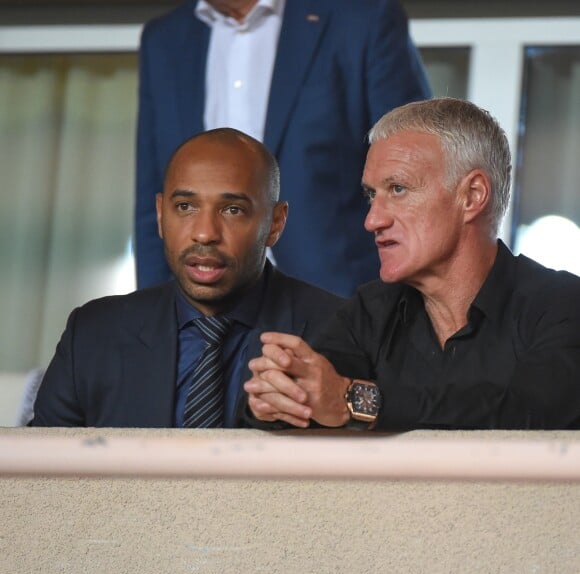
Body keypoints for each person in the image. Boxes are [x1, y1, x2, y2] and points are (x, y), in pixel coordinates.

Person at [244, 97, 580, 430]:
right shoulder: (369, 312)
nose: (373, 220)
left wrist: (357, 401)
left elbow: (533, 414)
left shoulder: (562, 304)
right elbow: (317, 398)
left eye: (398, 189)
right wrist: (277, 398)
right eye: (372, 195)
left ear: (473, 195)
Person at [30, 128, 344, 427]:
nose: (205, 233)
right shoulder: (92, 334)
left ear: (275, 223)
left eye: (232, 210)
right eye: (185, 207)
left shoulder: (339, 330)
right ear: (160, 215)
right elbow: (39, 471)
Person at [135, 0, 431, 297]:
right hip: (201, 309)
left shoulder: (363, 18)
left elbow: (414, 169)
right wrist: (153, 315)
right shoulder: (164, 39)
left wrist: (406, 312)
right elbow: (153, 189)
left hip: (338, 303)